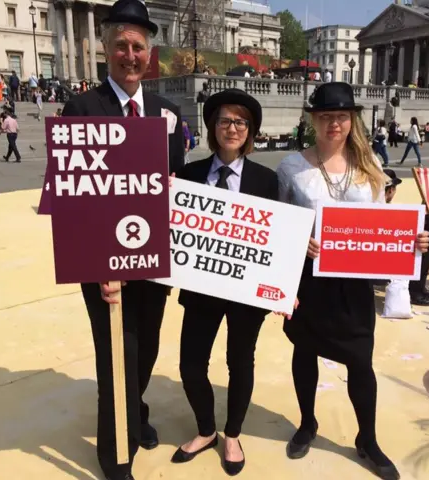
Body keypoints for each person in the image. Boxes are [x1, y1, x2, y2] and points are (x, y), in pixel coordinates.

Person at [276, 83, 429, 480]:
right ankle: (308, 422)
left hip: (354, 284)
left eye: (341, 117)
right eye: (326, 116)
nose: (334, 124)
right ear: (313, 119)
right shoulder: (291, 167)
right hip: (310, 281)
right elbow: (281, 226)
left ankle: (367, 438)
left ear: (352, 120)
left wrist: (413, 241)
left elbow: (385, 229)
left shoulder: (372, 167)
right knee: (304, 350)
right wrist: (298, 242)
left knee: (361, 361)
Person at [61, 1, 185, 478]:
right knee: (117, 353)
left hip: (155, 259)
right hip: (105, 265)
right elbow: (71, 199)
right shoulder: (82, 108)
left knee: (147, 347)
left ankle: (136, 413)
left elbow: (175, 186)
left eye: (138, 47)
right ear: (105, 50)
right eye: (121, 46)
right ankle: (116, 458)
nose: (129, 55)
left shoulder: (167, 113)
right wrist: (97, 269)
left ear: (148, 54)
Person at [170, 89, 278, 476]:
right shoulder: (188, 175)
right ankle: (205, 430)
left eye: (240, 122)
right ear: (212, 127)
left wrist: (283, 289)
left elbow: (277, 240)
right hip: (200, 291)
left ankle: (232, 433)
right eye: (224, 121)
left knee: (240, 362)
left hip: (246, 295)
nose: (231, 128)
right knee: (190, 365)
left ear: (249, 131)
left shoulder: (267, 180)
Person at [383, 169, 429, 306]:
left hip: (391, 243)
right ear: (391, 189)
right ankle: (416, 289)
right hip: (391, 250)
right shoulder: (380, 206)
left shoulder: (375, 204)